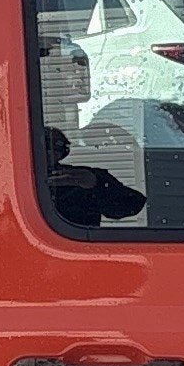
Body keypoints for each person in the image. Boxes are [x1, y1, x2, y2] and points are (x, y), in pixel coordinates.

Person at [33, 31, 146, 226]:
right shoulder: (15, 175)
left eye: (81, 63)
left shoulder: (109, 142)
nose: (79, 73)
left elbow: (132, 205)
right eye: (48, 146)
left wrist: (95, 183)